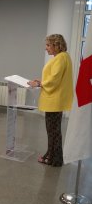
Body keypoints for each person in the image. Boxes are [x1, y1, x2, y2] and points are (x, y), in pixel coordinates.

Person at [28, 34, 73, 167]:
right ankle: (51, 155)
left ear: (56, 45)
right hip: (56, 99)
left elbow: (54, 79)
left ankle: (55, 159)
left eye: (48, 45)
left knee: (53, 131)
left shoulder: (60, 58)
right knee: (54, 131)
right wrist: (42, 82)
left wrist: (39, 84)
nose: (46, 48)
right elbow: (55, 78)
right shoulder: (64, 57)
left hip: (54, 100)